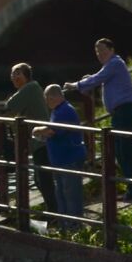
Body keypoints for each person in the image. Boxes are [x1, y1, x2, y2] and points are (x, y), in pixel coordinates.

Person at [64, 38, 132, 201]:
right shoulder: (110, 67)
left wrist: (75, 85)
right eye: (97, 52)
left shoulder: (115, 63)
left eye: (102, 50)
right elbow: (97, 78)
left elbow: (97, 78)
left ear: (111, 50)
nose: (100, 54)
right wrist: (86, 83)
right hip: (121, 114)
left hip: (124, 113)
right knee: (126, 152)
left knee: (125, 152)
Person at [4, 62, 59, 217]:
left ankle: (55, 214)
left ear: (26, 75)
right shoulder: (28, 89)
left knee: (44, 180)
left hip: (42, 140)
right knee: (39, 179)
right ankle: (54, 211)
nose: (14, 76)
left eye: (18, 73)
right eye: (12, 74)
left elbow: (11, 105)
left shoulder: (31, 88)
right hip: (37, 142)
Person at [33, 85, 86, 228]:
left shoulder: (65, 111)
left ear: (53, 97)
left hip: (69, 159)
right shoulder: (57, 110)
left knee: (71, 194)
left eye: (46, 98)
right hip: (60, 160)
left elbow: (51, 131)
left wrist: (35, 129)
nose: (46, 102)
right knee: (61, 193)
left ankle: (74, 226)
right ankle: (64, 224)